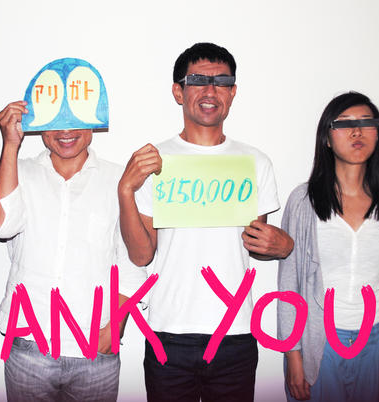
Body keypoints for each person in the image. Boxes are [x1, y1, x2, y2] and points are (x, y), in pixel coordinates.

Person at [118, 42, 293, 402]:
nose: (210, 90)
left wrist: (281, 245)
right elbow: (141, 255)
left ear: (232, 93)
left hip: (235, 333)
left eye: (221, 81)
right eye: (198, 80)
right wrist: (125, 191)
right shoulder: (155, 160)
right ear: (178, 92)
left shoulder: (255, 162)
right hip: (168, 331)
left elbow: (254, 244)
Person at [0, 97, 146, 400]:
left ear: (93, 120)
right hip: (28, 343)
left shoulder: (118, 180)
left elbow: (131, 262)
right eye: (55, 120)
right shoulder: (18, 172)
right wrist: (10, 145)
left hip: (95, 350)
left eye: (75, 118)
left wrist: (116, 325)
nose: (65, 130)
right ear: (40, 126)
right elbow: (0, 227)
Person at [277, 91, 379, 402]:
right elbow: (289, 284)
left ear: (378, 134)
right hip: (320, 343)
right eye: (344, 124)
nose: (357, 131)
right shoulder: (303, 201)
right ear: (327, 138)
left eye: (367, 123)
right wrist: (293, 355)